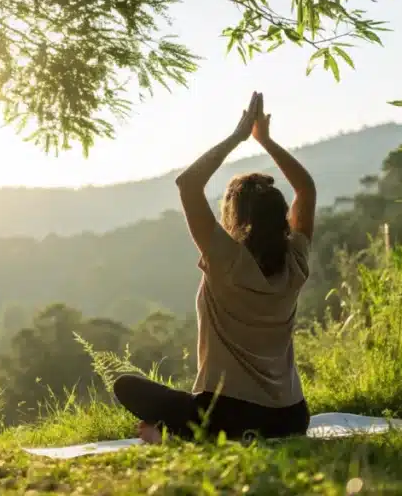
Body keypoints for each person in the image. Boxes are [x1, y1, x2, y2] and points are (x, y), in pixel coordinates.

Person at [114, 91, 316, 444]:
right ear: (280, 216)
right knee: (191, 405)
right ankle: (183, 432)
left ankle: (175, 435)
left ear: (235, 217)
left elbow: (188, 184)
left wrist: (239, 136)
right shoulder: (295, 259)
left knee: (127, 386)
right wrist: (265, 141)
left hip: (226, 415)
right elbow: (306, 189)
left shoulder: (226, 258)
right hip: (292, 417)